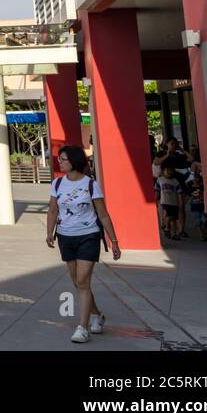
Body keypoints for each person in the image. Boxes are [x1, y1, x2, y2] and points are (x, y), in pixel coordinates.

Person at [47, 144, 121, 344]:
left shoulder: (91, 184)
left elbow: (103, 214)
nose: (59, 162)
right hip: (65, 237)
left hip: (88, 236)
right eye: (59, 159)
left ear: (74, 161)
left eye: (63, 159)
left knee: (82, 281)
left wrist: (113, 241)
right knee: (79, 283)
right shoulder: (57, 184)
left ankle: (82, 328)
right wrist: (49, 233)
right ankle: (97, 314)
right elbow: (53, 210)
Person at [157, 165, 183, 240]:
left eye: (171, 170)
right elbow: (157, 189)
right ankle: (166, 227)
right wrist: (156, 199)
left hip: (174, 202)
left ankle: (174, 234)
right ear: (163, 171)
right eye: (167, 170)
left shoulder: (175, 181)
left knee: (174, 219)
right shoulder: (160, 179)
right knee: (168, 215)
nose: (169, 171)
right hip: (164, 201)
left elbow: (180, 192)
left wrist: (181, 202)